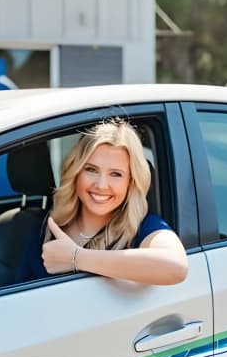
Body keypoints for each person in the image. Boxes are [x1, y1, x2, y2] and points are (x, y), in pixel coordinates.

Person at [17, 120, 188, 285]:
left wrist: (77, 257)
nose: (101, 185)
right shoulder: (47, 227)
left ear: (131, 182)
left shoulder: (142, 227)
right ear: (76, 172)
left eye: (116, 174)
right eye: (91, 169)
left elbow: (176, 267)